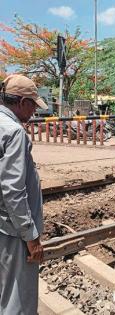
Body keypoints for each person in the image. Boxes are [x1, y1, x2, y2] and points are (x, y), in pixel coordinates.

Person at [0, 74, 48, 314]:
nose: (33, 112)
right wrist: (31, 237)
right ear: (22, 103)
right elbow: (13, 190)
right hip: (13, 230)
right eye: (33, 106)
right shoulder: (14, 132)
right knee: (18, 299)